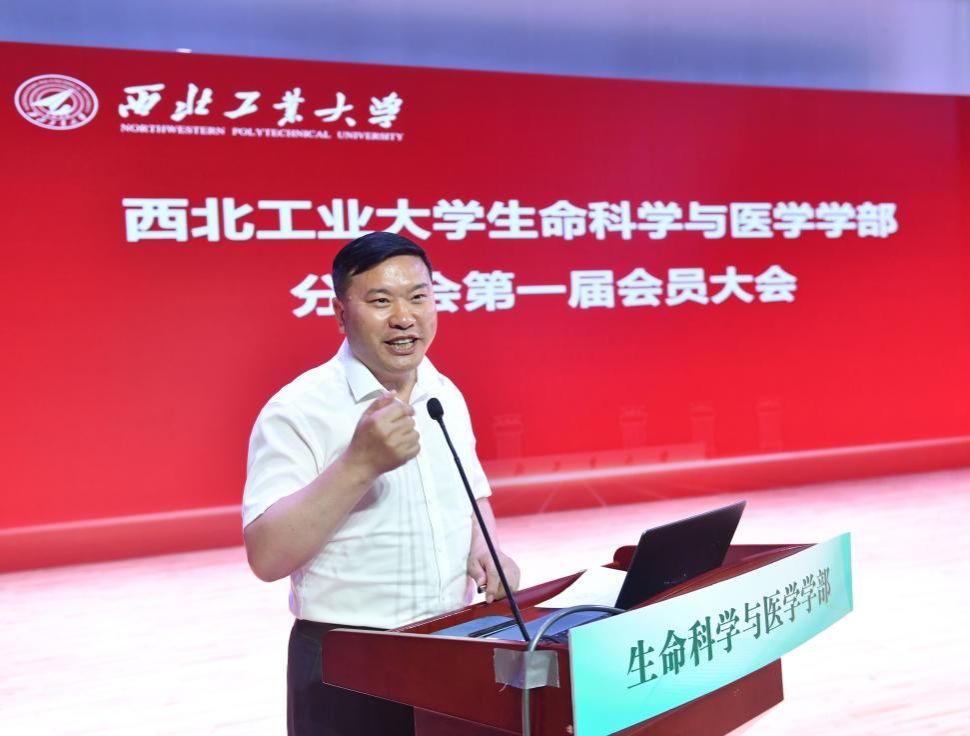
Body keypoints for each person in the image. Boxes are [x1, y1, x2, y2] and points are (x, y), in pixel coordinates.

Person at [242, 231, 520, 736]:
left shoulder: (443, 392)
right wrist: (358, 465)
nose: (404, 317)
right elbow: (267, 556)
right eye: (380, 301)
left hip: (452, 642)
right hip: (348, 659)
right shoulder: (297, 409)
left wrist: (486, 548)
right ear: (340, 312)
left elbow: (470, 493)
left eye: (418, 297)